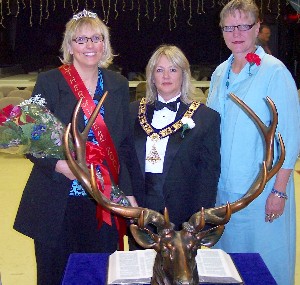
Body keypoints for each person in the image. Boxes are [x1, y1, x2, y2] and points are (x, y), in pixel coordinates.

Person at [13, 10, 137, 285]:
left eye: (96, 38)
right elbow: (31, 137)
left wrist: (128, 193)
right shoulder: (51, 81)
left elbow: (125, 146)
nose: (89, 46)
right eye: (81, 40)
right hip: (58, 197)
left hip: (103, 198)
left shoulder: (118, 84)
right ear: (69, 46)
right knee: (55, 274)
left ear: (105, 43)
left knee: (100, 274)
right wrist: (59, 165)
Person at [206, 1, 300, 285]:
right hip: (224, 193)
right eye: (229, 27)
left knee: (263, 265)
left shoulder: (274, 72)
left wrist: (279, 191)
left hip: (262, 192)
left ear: (257, 27)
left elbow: (290, 137)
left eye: (243, 25)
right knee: (227, 266)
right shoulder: (219, 73)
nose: (236, 33)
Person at [129, 45, 221, 232]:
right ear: (151, 76)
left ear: (184, 75)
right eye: (159, 70)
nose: (166, 76)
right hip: (138, 210)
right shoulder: (131, 112)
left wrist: (200, 218)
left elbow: (208, 174)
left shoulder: (206, 118)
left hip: (183, 216)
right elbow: (123, 161)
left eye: (173, 70)